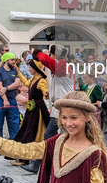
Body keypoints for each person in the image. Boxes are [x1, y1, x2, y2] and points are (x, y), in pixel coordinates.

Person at [0, 91, 107, 183]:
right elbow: (24, 150)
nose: (68, 123)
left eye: (74, 118)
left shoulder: (94, 155)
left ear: (87, 117)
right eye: (64, 117)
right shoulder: (56, 143)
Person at [29, 45, 76, 173]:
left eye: (51, 54)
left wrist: (37, 53)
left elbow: (46, 61)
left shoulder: (61, 65)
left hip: (63, 108)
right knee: (59, 135)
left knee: (52, 135)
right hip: (61, 106)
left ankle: (38, 165)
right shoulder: (64, 67)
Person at [11, 58, 50, 167]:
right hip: (31, 108)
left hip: (38, 109)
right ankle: (26, 155)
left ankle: (36, 155)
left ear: (35, 68)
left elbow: (45, 92)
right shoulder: (33, 79)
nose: (29, 68)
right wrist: (18, 72)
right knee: (27, 129)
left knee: (37, 130)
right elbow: (26, 83)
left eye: (30, 67)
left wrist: (46, 94)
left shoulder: (41, 80)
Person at [0, 52, 21, 140]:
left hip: (12, 99)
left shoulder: (15, 71)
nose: (14, 62)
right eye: (12, 60)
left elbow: (17, 83)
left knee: (14, 124)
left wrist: (6, 88)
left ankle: (14, 147)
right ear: (6, 61)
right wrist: (5, 100)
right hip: (0, 100)